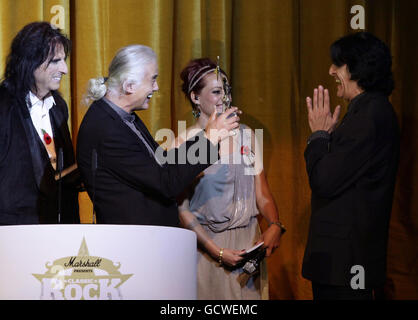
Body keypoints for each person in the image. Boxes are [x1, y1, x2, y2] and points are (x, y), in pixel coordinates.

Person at [76, 45, 239, 226]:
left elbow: (162, 163)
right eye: (153, 80)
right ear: (129, 86)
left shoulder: (122, 116)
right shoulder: (106, 129)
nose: (156, 87)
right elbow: (165, 182)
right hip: (134, 243)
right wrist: (209, 139)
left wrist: (207, 138)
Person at [176, 58, 285, 299]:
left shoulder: (246, 135)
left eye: (227, 90)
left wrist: (275, 224)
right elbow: (181, 209)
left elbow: (262, 192)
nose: (225, 97)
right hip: (209, 248)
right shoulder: (183, 143)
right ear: (195, 97)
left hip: (249, 246)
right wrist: (216, 251)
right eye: (216, 91)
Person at [303, 32, 400, 300]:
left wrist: (318, 136)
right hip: (345, 264)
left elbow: (324, 180)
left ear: (357, 67)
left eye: (338, 64)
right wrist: (331, 138)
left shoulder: (369, 114)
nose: (331, 70)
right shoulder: (366, 111)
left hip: (345, 266)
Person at [0, 22, 80, 224]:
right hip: (13, 230)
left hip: (55, 227)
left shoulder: (59, 106)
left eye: (64, 60)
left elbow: (61, 171)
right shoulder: (3, 105)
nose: (65, 69)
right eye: (55, 61)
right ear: (30, 62)